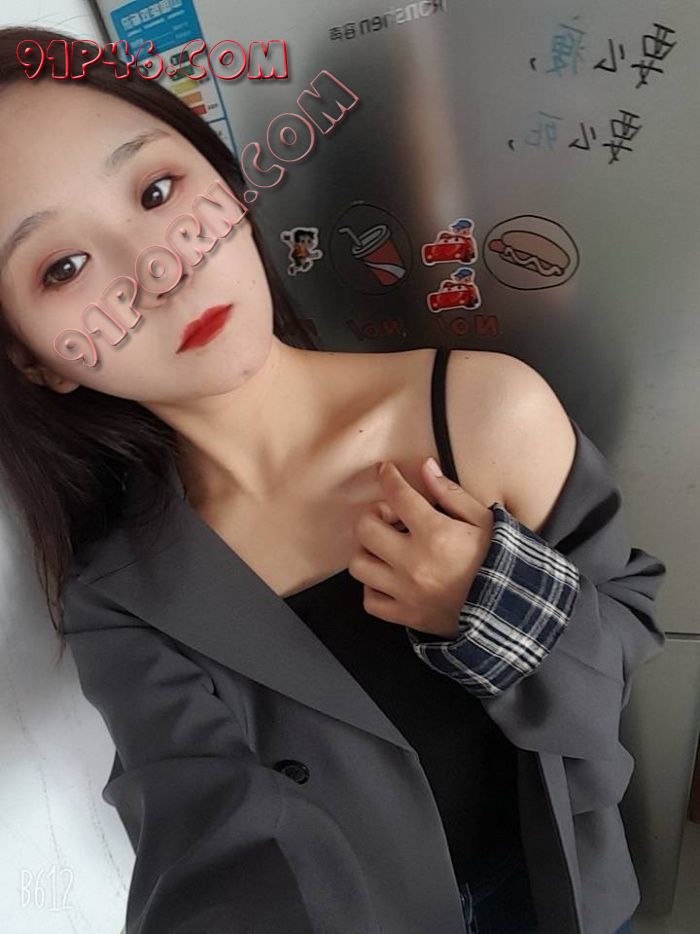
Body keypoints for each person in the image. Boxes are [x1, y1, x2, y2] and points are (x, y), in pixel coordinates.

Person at [0, 25, 666, 934]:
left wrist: (490, 604)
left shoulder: (481, 413)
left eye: (157, 191)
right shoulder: (125, 596)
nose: (161, 272)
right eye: (64, 267)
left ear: (226, 183)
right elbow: (203, 849)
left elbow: (617, 667)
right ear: (36, 362)